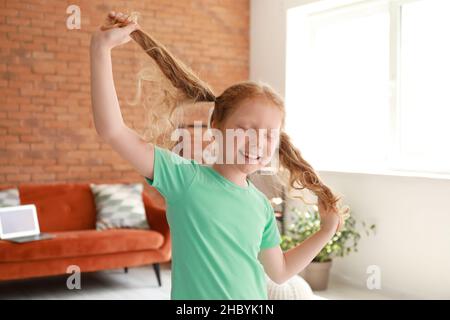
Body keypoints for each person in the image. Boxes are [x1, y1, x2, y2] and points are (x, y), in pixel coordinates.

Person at [90, 11, 347, 300]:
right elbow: (112, 130)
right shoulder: (183, 177)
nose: (255, 142)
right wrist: (101, 49)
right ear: (216, 128)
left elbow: (280, 271)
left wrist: (326, 230)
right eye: (245, 128)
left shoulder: (260, 205)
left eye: (268, 134)